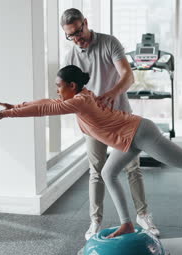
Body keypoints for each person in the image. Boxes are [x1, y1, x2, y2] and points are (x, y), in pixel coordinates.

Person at [0, 65, 182, 239]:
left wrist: (10, 116)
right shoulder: (81, 96)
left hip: (141, 132)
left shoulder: (80, 102)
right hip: (127, 140)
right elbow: (45, 101)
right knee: (108, 172)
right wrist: (16, 106)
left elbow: (46, 108)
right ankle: (128, 224)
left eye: (59, 86)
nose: (56, 91)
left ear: (72, 86)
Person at [59, 8, 159, 239]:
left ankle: (143, 216)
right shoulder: (70, 56)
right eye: (70, 35)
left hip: (121, 118)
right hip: (94, 124)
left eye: (78, 31)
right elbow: (68, 92)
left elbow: (128, 75)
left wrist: (112, 93)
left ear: (85, 22)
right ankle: (96, 221)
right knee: (96, 172)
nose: (76, 38)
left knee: (133, 169)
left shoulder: (109, 43)